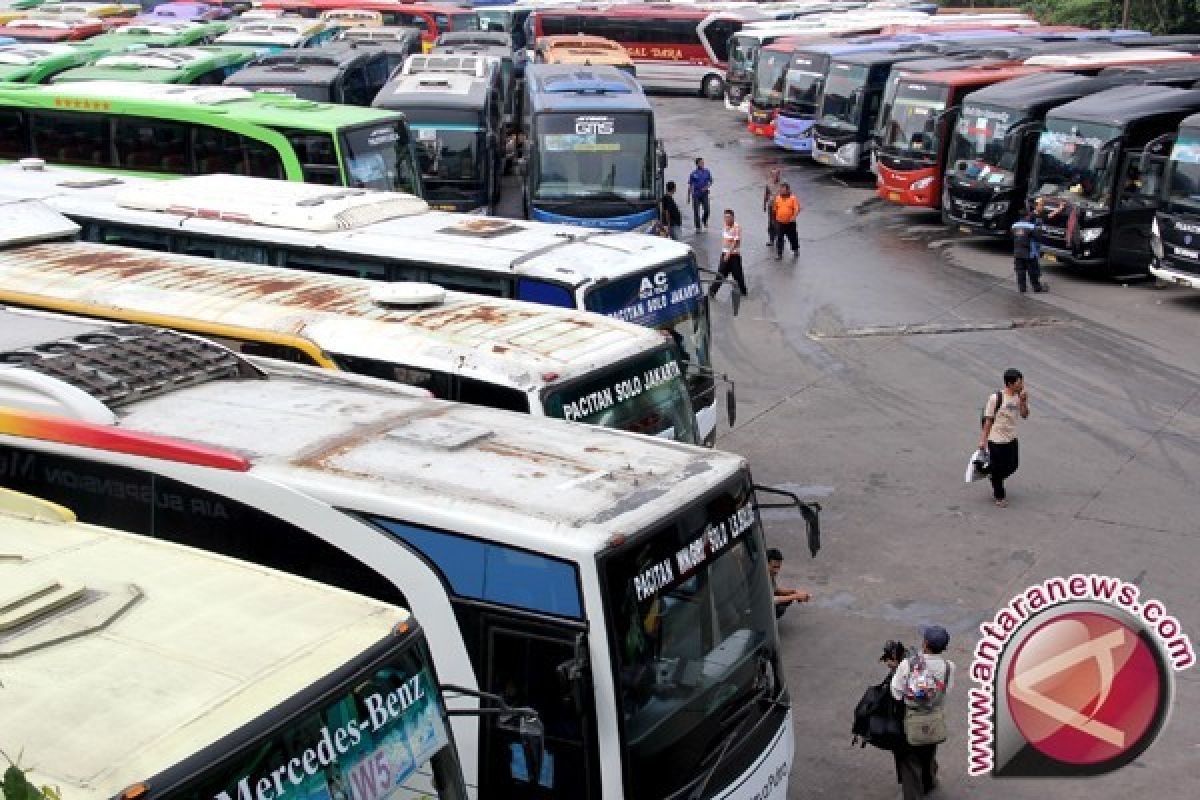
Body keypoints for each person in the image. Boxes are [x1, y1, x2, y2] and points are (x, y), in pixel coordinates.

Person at [891, 626, 954, 800]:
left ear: (925, 643)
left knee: (910, 761)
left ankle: (914, 794)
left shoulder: (908, 664)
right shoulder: (949, 667)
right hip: (934, 719)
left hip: (911, 719)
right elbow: (946, 692)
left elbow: (896, 692)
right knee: (929, 751)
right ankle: (929, 781)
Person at [979, 368, 1029, 508]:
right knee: (999, 468)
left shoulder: (1019, 397)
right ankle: (999, 495)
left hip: (1011, 438)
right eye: (1020, 382)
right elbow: (988, 420)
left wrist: (1024, 402)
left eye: (1022, 381)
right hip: (996, 440)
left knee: (1013, 466)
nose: (1022, 385)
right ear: (1010, 383)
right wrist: (983, 440)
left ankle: (994, 476)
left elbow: (1025, 415)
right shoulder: (996, 398)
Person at [709, 209, 747, 298]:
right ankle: (712, 292)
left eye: (729, 217)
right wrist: (725, 253)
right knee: (720, 274)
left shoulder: (736, 227)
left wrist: (728, 254)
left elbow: (736, 242)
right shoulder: (725, 226)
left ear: (733, 217)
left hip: (733, 256)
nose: (727, 219)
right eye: (725, 217)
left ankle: (743, 291)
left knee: (737, 275)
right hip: (725, 254)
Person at [1010, 205, 1046, 293]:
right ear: (1027, 216)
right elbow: (1038, 238)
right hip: (1029, 253)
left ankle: (1022, 288)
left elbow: (1013, 236)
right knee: (1032, 271)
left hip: (1017, 252)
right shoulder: (1031, 226)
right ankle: (1037, 288)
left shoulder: (1014, 226)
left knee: (1020, 271)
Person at [767, 548, 811, 618]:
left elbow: (775, 590)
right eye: (774, 567)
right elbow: (771, 599)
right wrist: (795, 596)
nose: (776, 571)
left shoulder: (769, 574)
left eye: (778, 567)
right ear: (766, 564)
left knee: (789, 597)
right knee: (780, 608)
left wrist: (794, 592)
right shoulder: (761, 578)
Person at [772, 182, 800, 261]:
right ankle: (779, 254)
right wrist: (774, 220)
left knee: (793, 237)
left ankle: (795, 249)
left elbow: (797, 209)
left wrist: (794, 217)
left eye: (783, 189)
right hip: (780, 223)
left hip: (790, 223)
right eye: (781, 189)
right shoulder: (777, 198)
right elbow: (774, 209)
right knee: (779, 238)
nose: (781, 191)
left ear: (788, 190)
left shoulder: (793, 198)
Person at [687, 157, 713, 231]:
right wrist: (689, 196)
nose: (703, 164)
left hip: (704, 194)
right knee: (696, 211)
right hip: (696, 195)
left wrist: (706, 187)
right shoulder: (693, 174)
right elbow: (690, 185)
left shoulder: (707, 172)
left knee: (707, 210)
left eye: (703, 162)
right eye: (701, 162)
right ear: (697, 164)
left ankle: (704, 220)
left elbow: (710, 181)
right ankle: (698, 226)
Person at [763, 168, 783, 248]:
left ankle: (780, 237)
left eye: (776, 174)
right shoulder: (768, 184)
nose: (775, 176)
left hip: (781, 207)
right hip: (771, 206)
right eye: (773, 175)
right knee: (771, 223)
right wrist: (764, 204)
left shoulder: (783, 184)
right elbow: (766, 194)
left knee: (780, 223)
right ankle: (771, 239)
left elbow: (789, 195)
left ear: (779, 175)